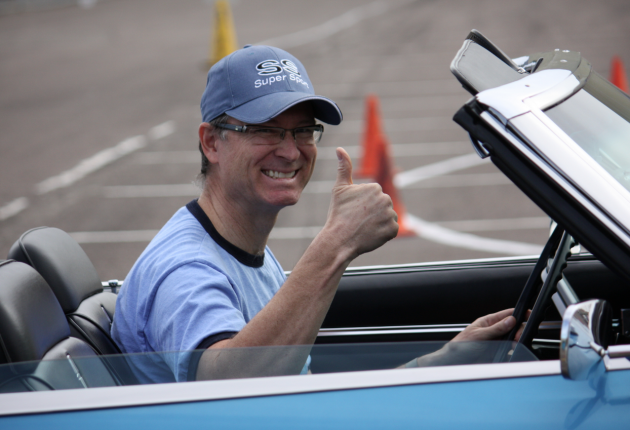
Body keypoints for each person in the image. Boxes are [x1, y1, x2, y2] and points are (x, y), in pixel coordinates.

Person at [111, 45, 521, 383]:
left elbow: (296, 393)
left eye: (303, 131)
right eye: (265, 129)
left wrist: (445, 362)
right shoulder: (185, 268)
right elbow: (230, 388)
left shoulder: (245, 251)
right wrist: (336, 243)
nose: (291, 151)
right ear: (211, 143)